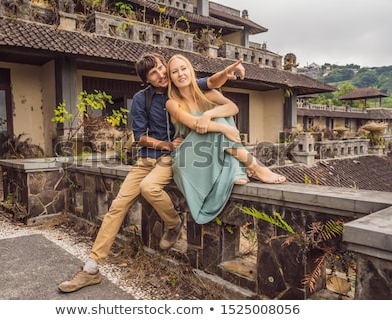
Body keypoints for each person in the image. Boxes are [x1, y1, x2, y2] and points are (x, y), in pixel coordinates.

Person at [58, 53, 246, 293]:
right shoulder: (141, 99)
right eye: (153, 73)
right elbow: (140, 137)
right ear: (146, 79)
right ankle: (91, 269)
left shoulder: (177, 89)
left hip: (170, 160)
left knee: (150, 188)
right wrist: (166, 144)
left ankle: (173, 222)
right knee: (117, 207)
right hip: (147, 159)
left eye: (160, 68)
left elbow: (210, 82)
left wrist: (226, 71)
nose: (161, 74)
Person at [165, 54, 286, 224]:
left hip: (211, 151)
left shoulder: (208, 94)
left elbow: (233, 107)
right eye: (174, 72)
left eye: (183, 69)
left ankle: (239, 168)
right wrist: (224, 128)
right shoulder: (172, 102)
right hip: (190, 157)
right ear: (170, 78)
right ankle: (254, 167)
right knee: (220, 125)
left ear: (191, 71)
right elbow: (194, 124)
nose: (180, 74)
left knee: (220, 117)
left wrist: (209, 113)